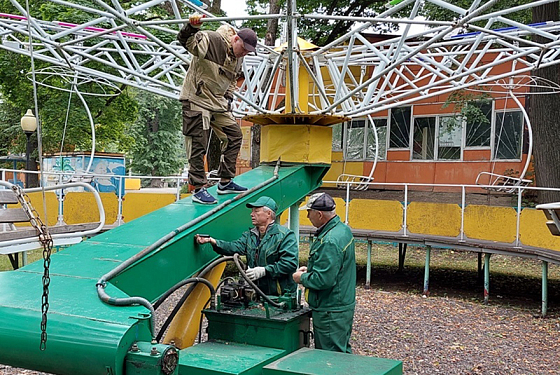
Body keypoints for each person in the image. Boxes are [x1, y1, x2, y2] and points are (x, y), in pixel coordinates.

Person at [177, 14, 258, 204]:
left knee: (234, 135)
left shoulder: (238, 57)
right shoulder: (213, 40)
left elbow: (232, 81)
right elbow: (186, 40)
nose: (244, 54)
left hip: (217, 104)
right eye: (243, 49)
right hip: (197, 99)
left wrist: (228, 98)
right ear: (235, 38)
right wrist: (192, 26)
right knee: (199, 142)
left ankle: (225, 181)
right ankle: (198, 188)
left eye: (248, 52)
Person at [292, 192, 356, 353]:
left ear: (319, 214)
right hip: (340, 306)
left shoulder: (329, 240)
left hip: (330, 309)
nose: (307, 216)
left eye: (309, 212)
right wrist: (312, 269)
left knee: (330, 357)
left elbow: (324, 280)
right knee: (341, 350)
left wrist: (302, 278)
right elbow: (336, 266)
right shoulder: (342, 230)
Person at [196, 196, 298, 296]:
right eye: (252, 211)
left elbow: (289, 264)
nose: (251, 214)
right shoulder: (250, 235)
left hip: (280, 296)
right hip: (256, 294)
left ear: (268, 214)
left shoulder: (285, 236)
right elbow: (234, 247)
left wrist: (265, 270)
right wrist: (212, 241)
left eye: (256, 211)